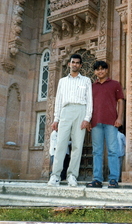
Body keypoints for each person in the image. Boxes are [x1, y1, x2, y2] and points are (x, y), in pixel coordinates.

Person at [48, 54, 92, 187]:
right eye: (73, 62)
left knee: (77, 146)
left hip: (80, 111)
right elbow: (59, 101)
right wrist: (56, 118)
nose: (75, 65)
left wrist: (87, 118)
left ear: (81, 65)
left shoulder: (86, 80)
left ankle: (72, 175)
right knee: (61, 144)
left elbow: (90, 100)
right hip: (65, 112)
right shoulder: (62, 81)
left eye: (78, 63)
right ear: (69, 64)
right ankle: (55, 176)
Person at [86, 61, 124, 188]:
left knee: (113, 150)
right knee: (97, 151)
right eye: (97, 69)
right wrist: (89, 120)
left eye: (102, 69)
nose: (100, 71)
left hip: (111, 122)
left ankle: (113, 179)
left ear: (107, 70)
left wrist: (120, 118)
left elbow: (120, 101)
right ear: (95, 72)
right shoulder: (91, 86)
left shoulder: (115, 84)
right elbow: (88, 105)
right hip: (96, 123)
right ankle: (97, 179)